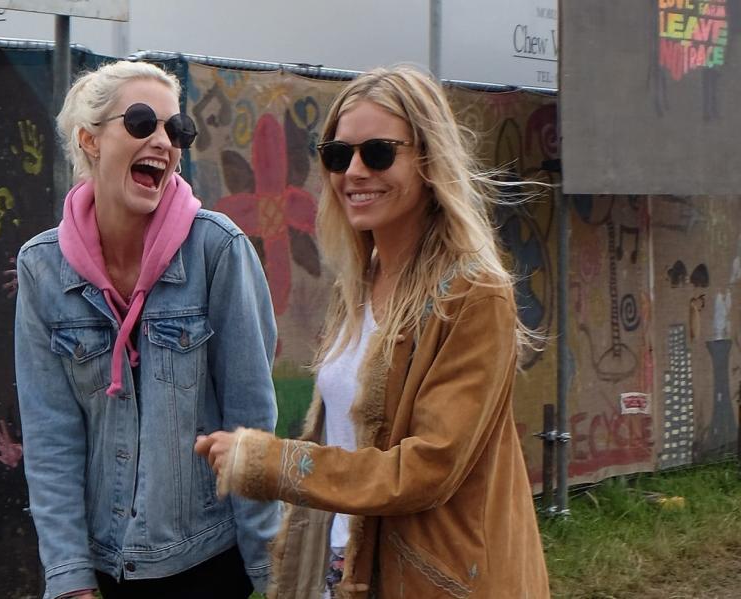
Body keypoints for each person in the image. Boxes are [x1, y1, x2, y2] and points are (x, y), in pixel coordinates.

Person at [195, 66, 550, 599]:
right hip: (348, 563)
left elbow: (426, 469)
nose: (354, 172)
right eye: (338, 156)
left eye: (378, 153)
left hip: (432, 577)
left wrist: (273, 463)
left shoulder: (473, 294)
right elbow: (344, 435)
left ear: (428, 159)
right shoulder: (360, 278)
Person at [14, 60, 280, 599]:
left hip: (206, 562)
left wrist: (274, 579)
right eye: (141, 123)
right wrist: (69, 580)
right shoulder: (42, 267)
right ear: (90, 139)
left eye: (176, 129)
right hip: (101, 568)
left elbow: (253, 427)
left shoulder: (217, 250)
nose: (163, 141)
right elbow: (50, 437)